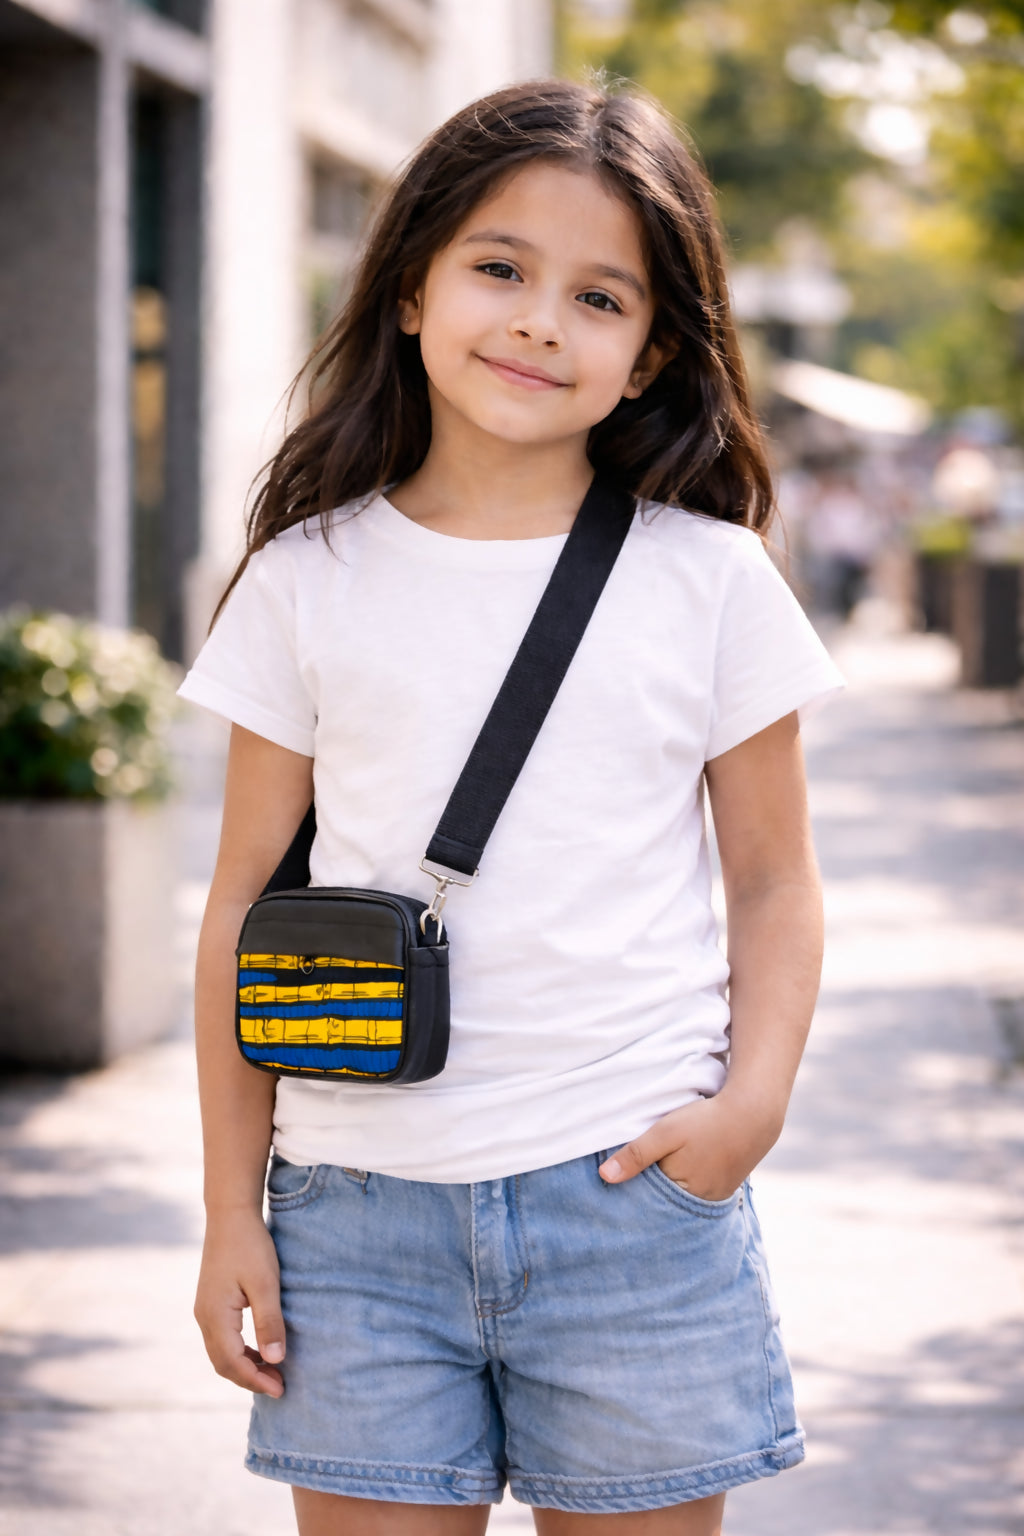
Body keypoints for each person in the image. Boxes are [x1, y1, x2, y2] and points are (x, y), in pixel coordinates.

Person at [179, 79, 844, 1536]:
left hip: (632, 1207)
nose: (542, 319)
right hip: (354, 1213)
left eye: (598, 296)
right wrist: (233, 1209)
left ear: (650, 351)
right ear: (412, 287)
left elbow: (777, 881)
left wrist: (749, 1110)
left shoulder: (711, 581)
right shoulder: (310, 575)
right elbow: (243, 904)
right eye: (500, 268)